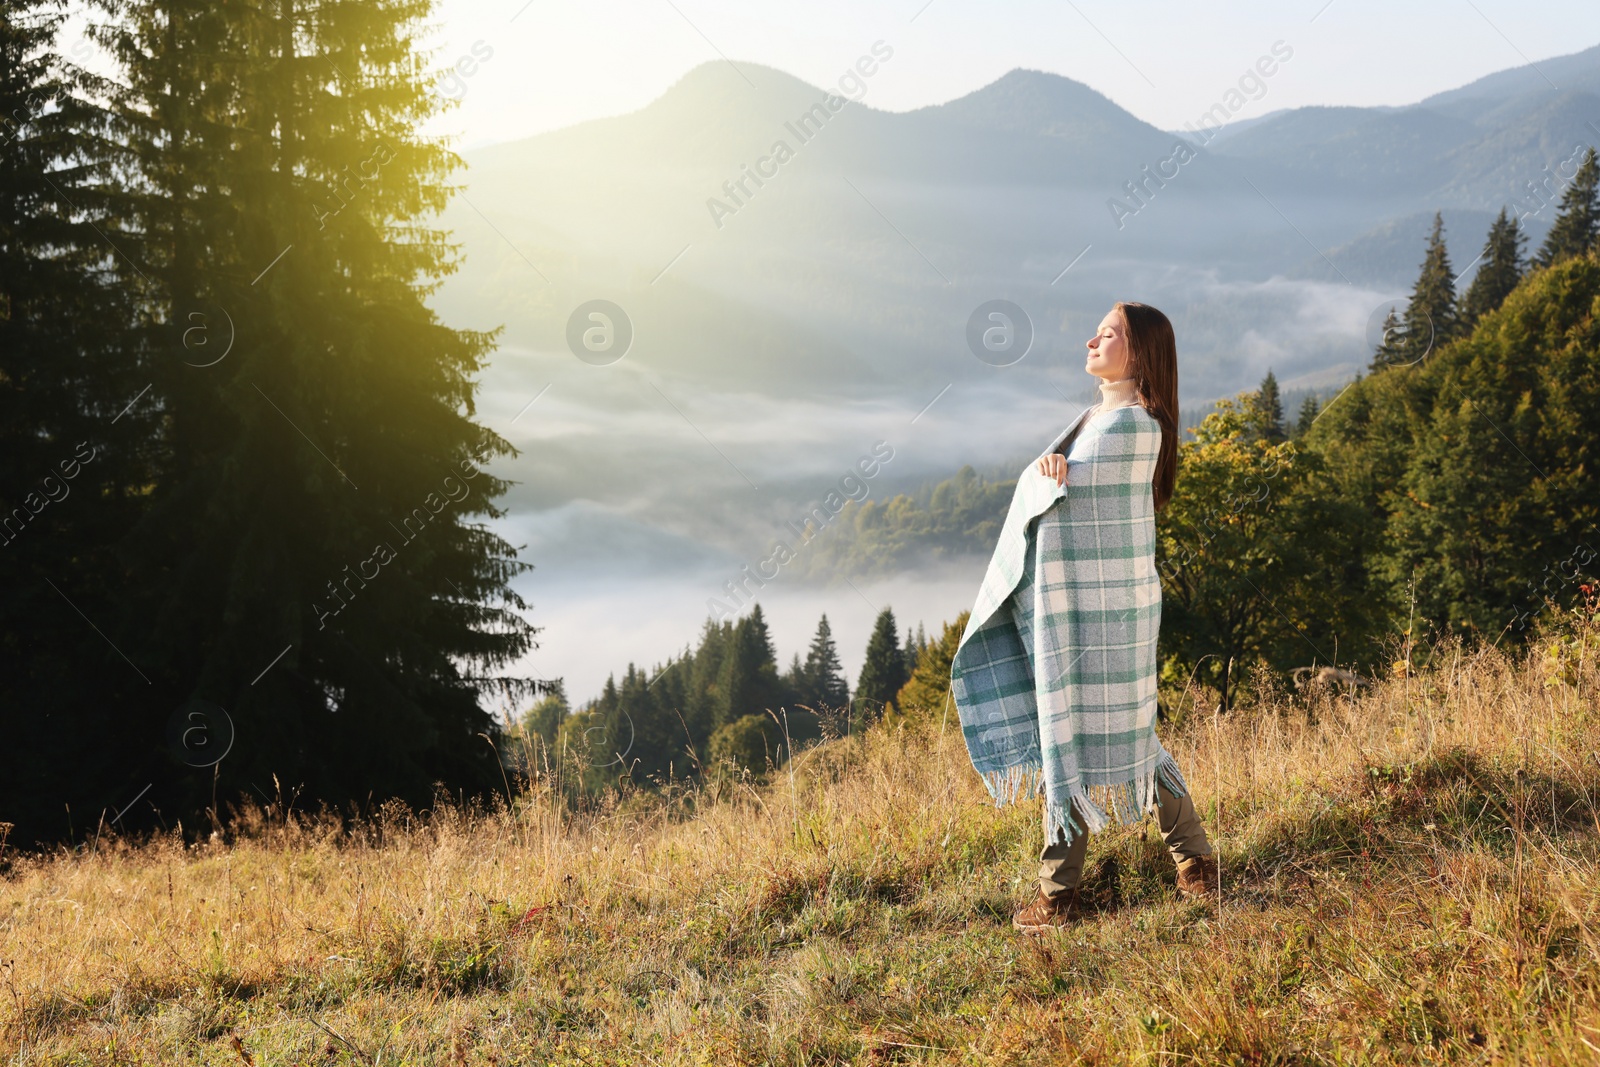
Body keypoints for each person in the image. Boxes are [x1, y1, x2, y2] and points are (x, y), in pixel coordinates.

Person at [948, 301, 1217, 934]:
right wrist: (1045, 475)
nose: (1093, 339)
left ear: (1140, 352)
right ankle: (1194, 860)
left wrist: (1047, 477)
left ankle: (1060, 895)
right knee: (1118, 735)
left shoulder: (1134, 427)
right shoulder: (1098, 417)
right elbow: (1055, 486)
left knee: (1086, 735)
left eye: (1110, 333)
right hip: (1085, 609)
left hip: (1110, 611)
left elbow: (1074, 493)